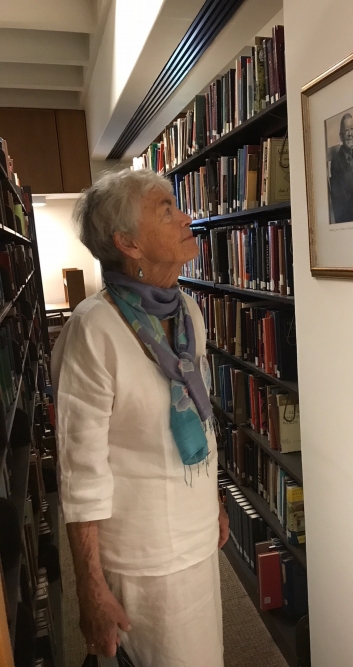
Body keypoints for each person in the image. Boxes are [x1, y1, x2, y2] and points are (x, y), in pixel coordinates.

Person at [52, 169, 229, 667]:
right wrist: (91, 588)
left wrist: (211, 497)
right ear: (128, 242)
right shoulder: (94, 332)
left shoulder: (187, 312)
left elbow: (200, 417)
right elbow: (79, 474)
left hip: (196, 542)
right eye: (166, 210)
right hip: (144, 562)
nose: (185, 218)